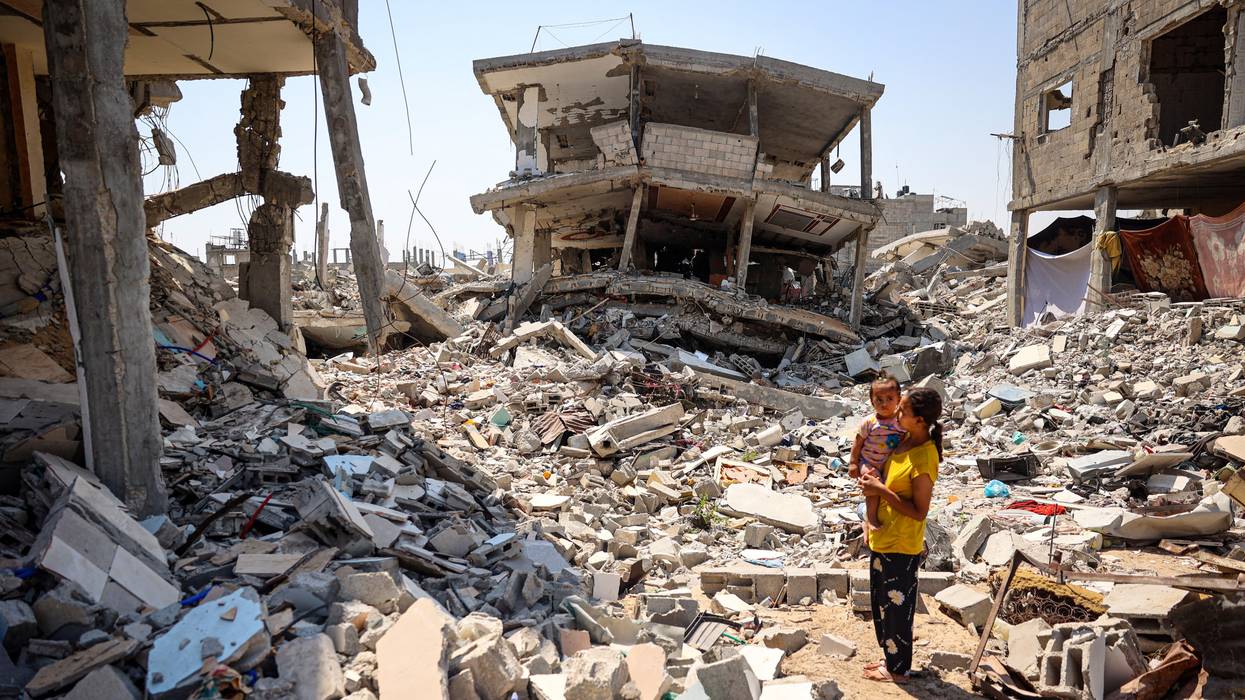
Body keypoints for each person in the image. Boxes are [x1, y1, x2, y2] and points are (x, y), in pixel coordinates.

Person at [858, 387, 944, 684]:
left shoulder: (924, 457)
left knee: (898, 609)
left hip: (902, 543)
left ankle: (899, 669)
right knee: (883, 606)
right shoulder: (904, 440)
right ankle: (890, 659)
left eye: (904, 411)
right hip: (884, 537)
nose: (896, 413)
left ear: (920, 420)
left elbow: (920, 511)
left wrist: (880, 491)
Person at [848, 373, 904, 529]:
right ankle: (871, 518)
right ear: (872, 401)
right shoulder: (870, 422)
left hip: (889, 463)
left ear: (898, 400)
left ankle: (890, 515)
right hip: (869, 462)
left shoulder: (901, 421)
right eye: (879, 400)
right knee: (873, 486)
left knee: (892, 487)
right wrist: (853, 463)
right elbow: (857, 443)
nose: (884, 404)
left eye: (889, 399)